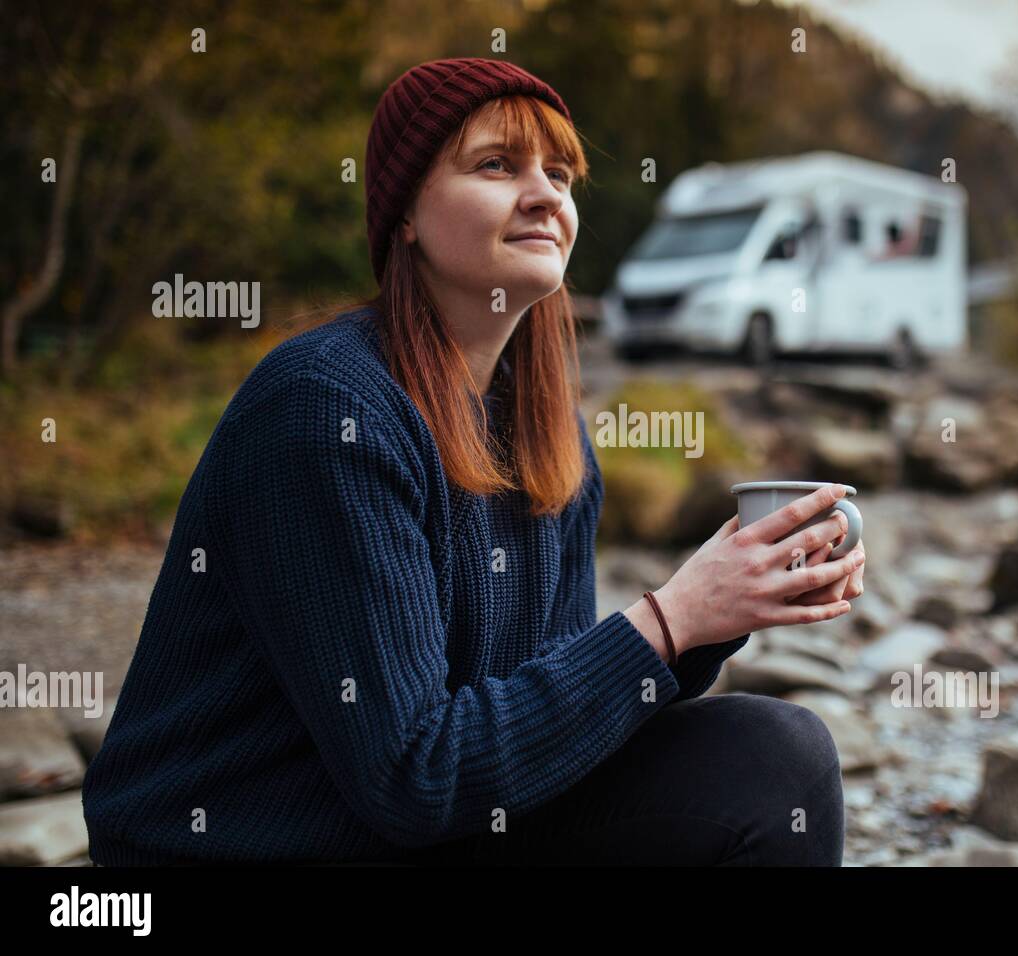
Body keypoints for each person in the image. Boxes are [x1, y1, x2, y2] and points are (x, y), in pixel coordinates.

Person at [82, 57, 865, 867]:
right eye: (497, 165)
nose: (545, 196)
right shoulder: (325, 409)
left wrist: (722, 614)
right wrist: (670, 621)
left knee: (774, 760)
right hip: (231, 851)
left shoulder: (549, 436)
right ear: (407, 213)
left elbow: (535, 734)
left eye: (560, 174)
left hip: (420, 829)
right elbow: (415, 776)